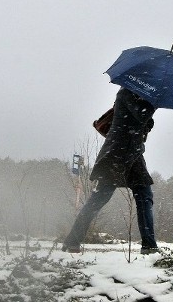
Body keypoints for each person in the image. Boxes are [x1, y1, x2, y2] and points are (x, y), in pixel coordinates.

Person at [63, 87, 159, 254]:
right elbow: (142, 114)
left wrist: (149, 117)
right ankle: (72, 240)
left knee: (144, 196)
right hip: (116, 154)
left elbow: (144, 124)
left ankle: (149, 245)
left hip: (134, 155)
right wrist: (155, 102)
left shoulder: (143, 97)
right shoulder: (126, 93)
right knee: (99, 198)